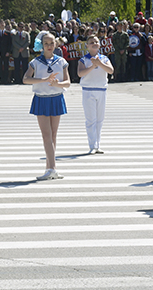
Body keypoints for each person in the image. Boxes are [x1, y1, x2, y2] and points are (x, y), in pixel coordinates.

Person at [24, 32, 71, 180]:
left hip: (56, 98)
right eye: (46, 43)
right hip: (41, 99)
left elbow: (68, 82)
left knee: (53, 135)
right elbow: (26, 79)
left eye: (52, 43)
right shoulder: (35, 62)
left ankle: (50, 168)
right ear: (41, 45)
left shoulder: (61, 61)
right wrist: (43, 79)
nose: (49, 46)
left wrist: (58, 84)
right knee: (46, 135)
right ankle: (52, 168)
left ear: (56, 44)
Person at [77, 35, 113, 154]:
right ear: (87, 46)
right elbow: (80, 73)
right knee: (91, 119)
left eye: (96, 41)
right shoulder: (84, 59)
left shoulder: (104, 59)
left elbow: (110, 70)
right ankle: (92, 145)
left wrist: (99, 63)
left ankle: (97, 144)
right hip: (88, 91)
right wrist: (93, 66)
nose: (94, 43)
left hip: (101, 90)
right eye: (91, 42)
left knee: (100, 119)